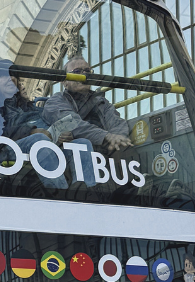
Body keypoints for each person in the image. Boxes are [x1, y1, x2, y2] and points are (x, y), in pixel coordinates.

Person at [42, 56, 131, 185]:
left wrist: (118, 138)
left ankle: (131, 190)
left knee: (125, 144)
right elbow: (72, 124)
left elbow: (117, 122)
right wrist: (106, 136)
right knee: (82, 145)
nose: (84, 75)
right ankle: (87, 191)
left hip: (103, 151)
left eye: (87, 71)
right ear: (65, 82)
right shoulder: (55, 102)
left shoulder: (101, 101)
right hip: (70, 155)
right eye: (77, 72)